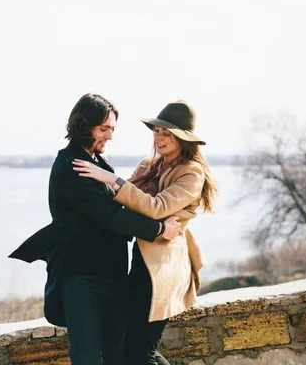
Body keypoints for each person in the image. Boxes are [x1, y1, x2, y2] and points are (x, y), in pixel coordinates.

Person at [9, 93, 182, 365]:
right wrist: (159, 229)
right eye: (103, 129)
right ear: (83, 125)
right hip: (82, 282)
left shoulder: (98, 164)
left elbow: (123, 208)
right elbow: (109, 215)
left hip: (112, 279)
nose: (109, 136)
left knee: (118, 358)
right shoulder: (71, 166)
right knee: (88, 359)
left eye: (112, 129)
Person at [72, 100, 218, 364]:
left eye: (166, 133)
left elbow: (155, 207)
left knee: (140, 352)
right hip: (141, 264)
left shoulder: (191, 173)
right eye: (157, 131)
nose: (158, 138)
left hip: (163, 270)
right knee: (131, 348)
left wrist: (108, 178)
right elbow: (122, 203)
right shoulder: (147, 166)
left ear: (182, 138)